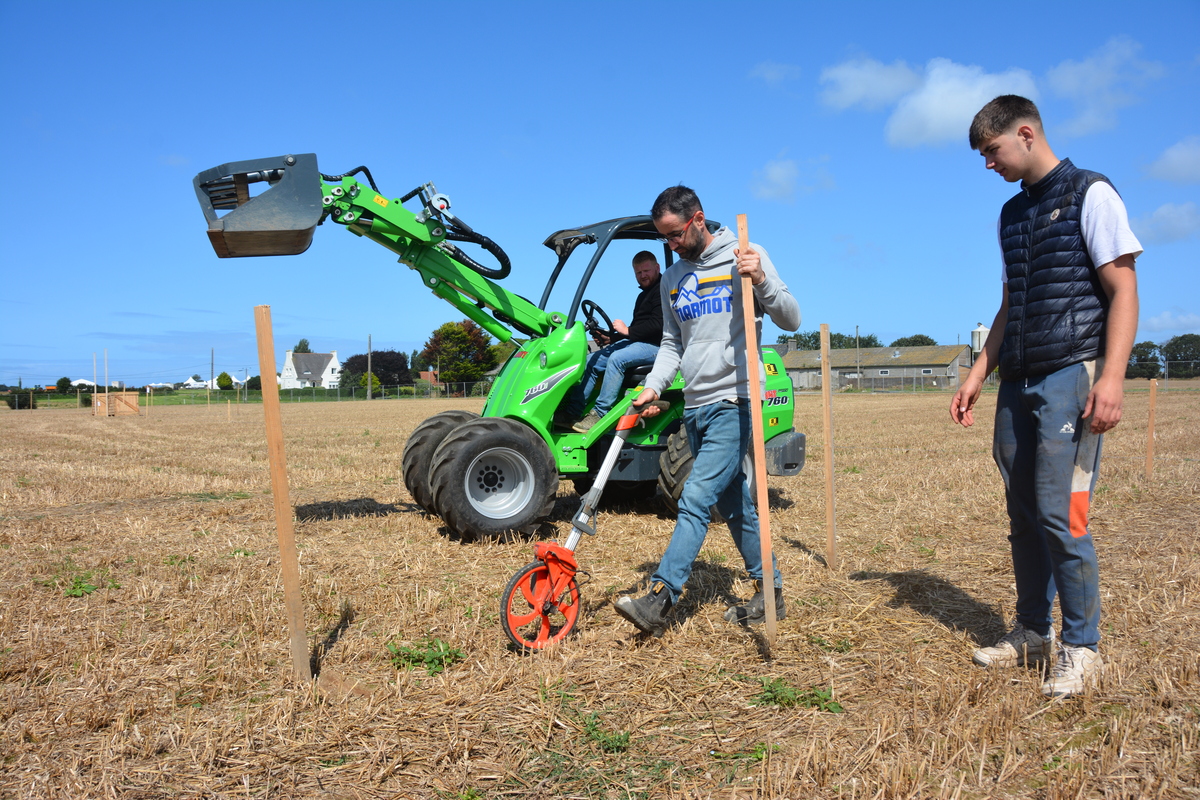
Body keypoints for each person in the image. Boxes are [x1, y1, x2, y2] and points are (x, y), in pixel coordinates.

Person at [952, 95, 1141, 698]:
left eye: (993, 152)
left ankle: (1082, 648)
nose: (989, 165)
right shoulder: (1010, 215)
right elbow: (1011, 307)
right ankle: (1033, 631)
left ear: (1026, 134)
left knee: (1064, 515)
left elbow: (1124, 290)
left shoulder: (1092, 193)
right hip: (1018, 380)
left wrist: (1110, 378)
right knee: (1023, 514)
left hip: (1072, 373)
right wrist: (980, 372)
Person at [614, 185, 800, 635]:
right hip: (693, 405)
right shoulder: (674, 278)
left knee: (695, 498)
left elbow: (791, 318)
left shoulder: (745, 255)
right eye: (664, 239)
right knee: (736, 508)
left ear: (697, 219)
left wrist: (761, 281)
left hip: (734, 400)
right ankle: (769, 590)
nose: (670, 245)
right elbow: (672, 343)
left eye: (675, 235)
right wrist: (652, 385)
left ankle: (660, 600)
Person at [565, 251, 663, 433]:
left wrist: (628, 331)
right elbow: (637, 332)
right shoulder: (643, 296)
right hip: (640, 344)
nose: (643, 276)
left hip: (659, 346)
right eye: (638, 273)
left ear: (657, 268)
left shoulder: (665, 289)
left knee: (617, 358)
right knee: (591, 360)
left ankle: (600, 413)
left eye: (646, 271)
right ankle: (572, 412)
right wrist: (611, 338)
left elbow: (659, 325)